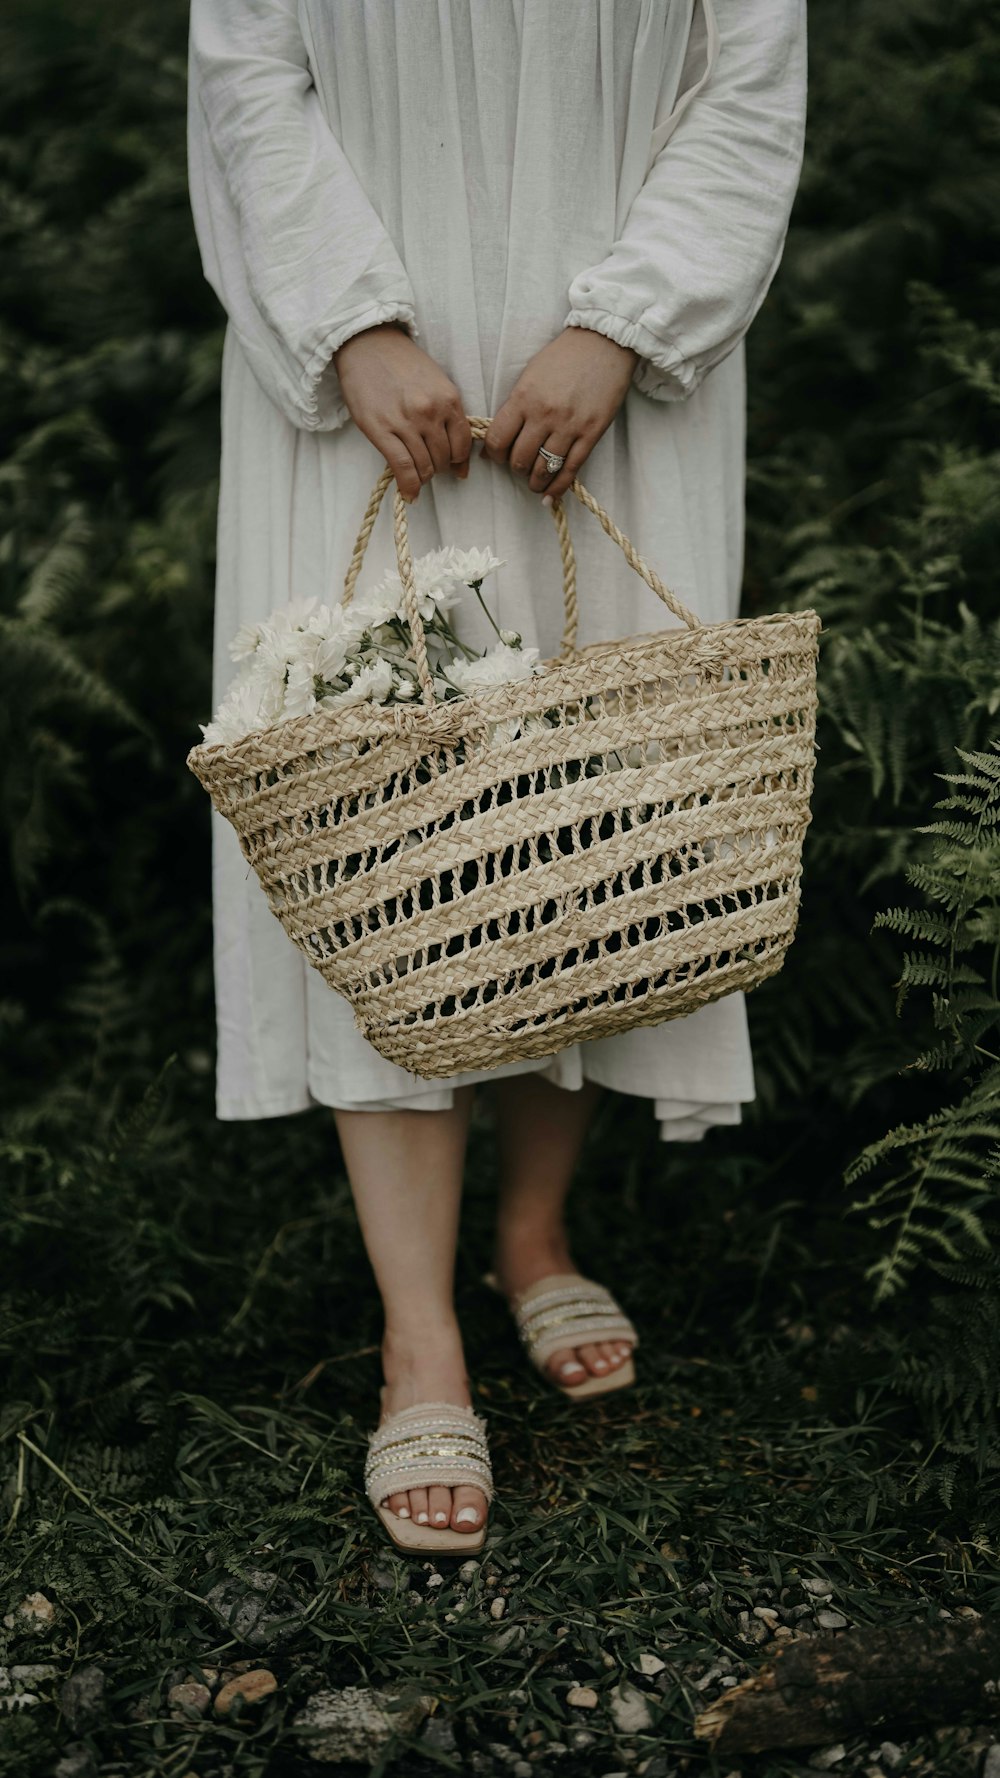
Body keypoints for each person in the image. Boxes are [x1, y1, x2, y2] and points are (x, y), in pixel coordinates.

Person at [187, 0, 807, 1548]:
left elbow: (750, 67)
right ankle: (420, 1334)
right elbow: (249, 62)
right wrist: (352, 324)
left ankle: (533, 1228)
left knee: (585, 818)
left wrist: (626, 324)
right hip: (361, 372)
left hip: (611, 370)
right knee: (384, 822)